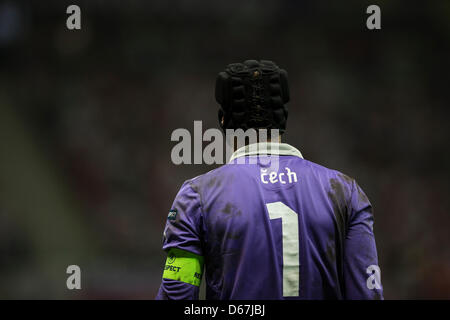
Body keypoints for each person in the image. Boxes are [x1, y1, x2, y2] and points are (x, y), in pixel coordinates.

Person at [155, 60, 383, 299]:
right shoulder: (345, 192)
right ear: (283, 117)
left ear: (223, 120)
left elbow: (177, 296)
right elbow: (367, 295)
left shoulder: (196, 196)